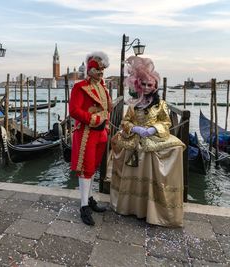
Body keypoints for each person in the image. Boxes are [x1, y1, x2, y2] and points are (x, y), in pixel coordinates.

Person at [110, 56, 185, 227]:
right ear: (138, 85)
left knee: (176, 148)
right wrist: (134, 128)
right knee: (119, 142)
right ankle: (131, 207)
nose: (146, 87)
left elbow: (166, 122)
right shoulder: (133, 104)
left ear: (155, 86)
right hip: (135, 139)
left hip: (153, 138)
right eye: (143, 84)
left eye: (149, 85)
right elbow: (125, 121)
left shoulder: (161, 105)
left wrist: (153, 129)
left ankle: (153, 210)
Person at [69, 51, 112, 226]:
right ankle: (84, 206)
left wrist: (106, 125)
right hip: (87, 132)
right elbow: (74, 111)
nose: (101, 72)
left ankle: (90, 198)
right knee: (85, 169)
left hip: (101, 134)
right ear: (89, 69)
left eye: (102, 69)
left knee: (93, 168)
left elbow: (107, 109)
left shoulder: (103, 87)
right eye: (97, 69)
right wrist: (93, 119)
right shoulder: (80, 87)